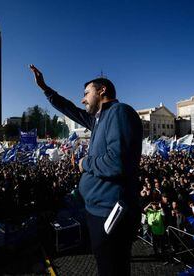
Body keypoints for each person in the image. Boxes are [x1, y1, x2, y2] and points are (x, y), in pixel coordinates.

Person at [30, 64, 142, 276]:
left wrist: (84, 163)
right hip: (97, 209)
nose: (82, 99)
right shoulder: (98, 119)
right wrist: (45, 88)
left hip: (110, 211)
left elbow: (116, 162)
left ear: (102, 91)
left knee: (112, 270)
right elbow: (70, 109)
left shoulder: (119, 112)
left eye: (86, 94)